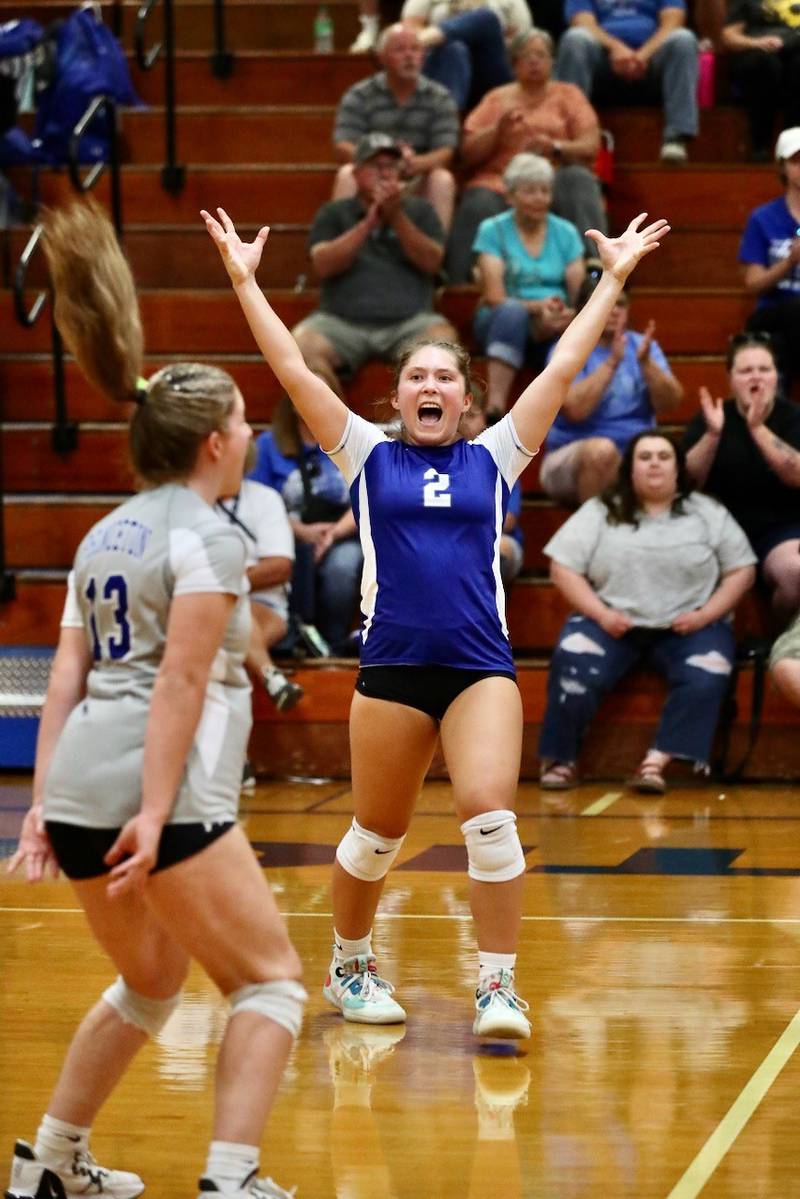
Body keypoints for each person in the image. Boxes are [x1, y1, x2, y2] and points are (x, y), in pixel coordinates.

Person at [204, 199, 669, 1037]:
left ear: (467, 399)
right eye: (416, 376)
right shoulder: (366, 453)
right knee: (375, 836)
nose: (429, 385)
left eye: (444, 377)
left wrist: (613, 277)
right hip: (390, 668)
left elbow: (561, 366)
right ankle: (350, 966)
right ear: (397, 395)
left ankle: (497, 986)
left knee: (491, 815)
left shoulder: (496, 456)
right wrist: (245, 281)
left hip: (479, 666)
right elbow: (294, 373)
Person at [5, 197, 305, 1199]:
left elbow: (64, 679)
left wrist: (43, 801)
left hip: (83, 780)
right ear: (213, 443)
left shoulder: (104, 532)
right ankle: (230, 1177)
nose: (250, 426)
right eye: (240, 417)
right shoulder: (210, 536)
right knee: (269, 981)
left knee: (149, 980)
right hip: (154, 788)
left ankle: (46, 1163)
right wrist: (155, 806)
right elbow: (178, 677)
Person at [538, 431, 756, 792]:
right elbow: (562, 568)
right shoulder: (601, 510)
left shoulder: (708, 512)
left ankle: (656, 763)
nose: (654, 462)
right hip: (611, 622)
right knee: (573, 660)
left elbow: (742, 570)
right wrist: (601, 613)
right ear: (630, 469)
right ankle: (560, 761)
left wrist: (705, 615)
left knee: (710, 671)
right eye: (645, 456)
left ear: (678, 468)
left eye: (663, 456)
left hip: (690, 626)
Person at [292, 131, 456, 398]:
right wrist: (366, 225)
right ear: (356, 174)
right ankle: (334, 431)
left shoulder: (420, 211)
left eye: (390, 166)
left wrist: (396, 217)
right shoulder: (334, 213)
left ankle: (419, 433)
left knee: (443, 345)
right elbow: (322, 264)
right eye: (374, 166)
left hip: (411, 322)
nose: (384, 173)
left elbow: (433, 263)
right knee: (300, 347)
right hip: (340, 322)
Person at [446, 27, 605, 281]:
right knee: (478, 199)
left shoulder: (569, 95)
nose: (534, 62)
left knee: (578, 179)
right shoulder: (496, 98)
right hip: (502, 180)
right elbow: (466, 153)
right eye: (526, 56)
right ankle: (462, 280)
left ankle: (594, 267)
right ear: (514, 64)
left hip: (553, 176)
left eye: (540, 55)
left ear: (552, 62)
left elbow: (590, 145)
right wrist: (497, 131)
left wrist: (555, 146)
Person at [683, 331, 800, 623]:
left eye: (764, 370)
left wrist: (758, 428)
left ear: (777, 377)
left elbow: (796, 475)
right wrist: (712, 435)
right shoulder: (712, 417)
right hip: (718, 528)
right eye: (746, 371)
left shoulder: (792, 417)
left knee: (795, 573)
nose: (756, 378)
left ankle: (782, 642)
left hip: (781, 528)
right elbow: (687, 482)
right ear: (731, 379)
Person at [540, 275, 683, 505]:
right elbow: (575, 410)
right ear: (588, 309)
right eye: (608, 302)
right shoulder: (567, 348)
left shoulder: (643, 347)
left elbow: (671, 404)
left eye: (621, 303)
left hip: (632, 454)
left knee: (661, 458)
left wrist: (647, 365)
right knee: (602, 452)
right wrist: (611, 363)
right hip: (569, 456)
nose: (615, 310)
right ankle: (599, 538)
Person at [472, 152, 586, 417]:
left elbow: (579, 296)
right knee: (512, 313)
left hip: (553, 319)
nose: (539, 198)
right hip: (501, 320)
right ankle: (496, 408)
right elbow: (494, 297)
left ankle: (565, 414)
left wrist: (563, 314)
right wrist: (537, 308)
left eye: (545, 191)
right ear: (510, 196)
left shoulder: (566, 232)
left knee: (573, 329)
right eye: (530, 191)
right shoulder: (492, 230)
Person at [250, 393, 363, 656]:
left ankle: (333, 643)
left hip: (344, 533)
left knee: (342, 567)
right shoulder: (269, 444)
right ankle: (295, 640)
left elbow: (368, 498)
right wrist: (301, 532)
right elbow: (257, 499)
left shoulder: (353, 442)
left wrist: (332, 534)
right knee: (291, 563)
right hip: (285, 533)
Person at [332, 24, 459, 233]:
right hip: (371, 174)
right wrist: (382, 164)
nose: (409, 56)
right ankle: (340, 256)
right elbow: (343, 145)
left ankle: (434, 257)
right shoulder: (360, 95)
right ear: (381, 57)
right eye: (400, 49)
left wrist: (412, 164)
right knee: (347, 174)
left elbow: (446, 151)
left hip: (417, 175)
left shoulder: (439, 97)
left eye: (415, 49)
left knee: (442, 179)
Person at [555, 0, 699, 163]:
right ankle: (572, 138)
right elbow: (583, 22)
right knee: (574, 38)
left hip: (651, 61)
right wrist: (616, 48)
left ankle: (676, 139)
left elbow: (673, 22)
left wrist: (642, 55)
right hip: (603, 59)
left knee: (683, 39)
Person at [216, 468, 304, 711]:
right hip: (204, 606)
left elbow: (279, 567)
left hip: (265, 607)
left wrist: (224, 582)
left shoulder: (264, 498)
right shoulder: (189, 501)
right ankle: (271, 676)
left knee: (231, 611)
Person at [738, 127, 800, 389]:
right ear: (782, 166)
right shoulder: (763, 218)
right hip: (775, 312)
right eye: (796, 160)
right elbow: (753, 283)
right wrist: (789, 262)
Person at [400, 0, 530, 111]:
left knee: (487, 19)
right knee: (455, 48)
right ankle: (446, 125)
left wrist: (474, 34)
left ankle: (419, 42)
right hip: (441, 64)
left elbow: (522, 39)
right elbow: (410, 28)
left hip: (488, 69)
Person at [720, 0, 800, 161]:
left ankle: (794, 148)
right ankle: (760, 146)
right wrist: (756, 43)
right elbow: (729, 36)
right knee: (764, 64)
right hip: (758, 54)